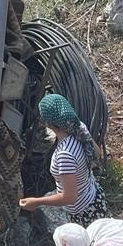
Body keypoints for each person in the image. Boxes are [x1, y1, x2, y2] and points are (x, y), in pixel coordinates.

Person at [19, 94, 110, 228]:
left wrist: (37, 202)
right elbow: (97, 153)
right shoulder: (79, 128)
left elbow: (69, 197)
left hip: (84, 212)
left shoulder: (64, 155)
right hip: (95, 197)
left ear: (47, 123)